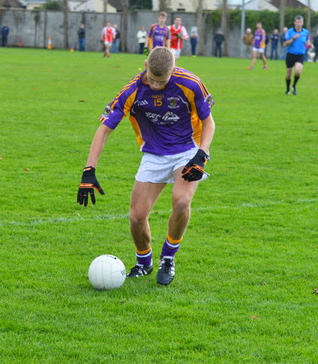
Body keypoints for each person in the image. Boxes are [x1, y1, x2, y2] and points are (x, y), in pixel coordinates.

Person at [76, 46, 215, 286]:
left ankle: (168, 258)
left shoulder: (191, 84)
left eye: (162, 81)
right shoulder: (132, 91)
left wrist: (202, 154)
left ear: (174, 68)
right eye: (151, 79)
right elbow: (104, 130)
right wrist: (89, 169)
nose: (156, 85)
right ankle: (144, 262)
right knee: (137, 217)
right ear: (144, 65)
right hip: (153, 154)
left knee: (181, 201)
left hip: (187, 151)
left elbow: (208, 122)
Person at [282, 15, 311, 95]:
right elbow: (285, 44)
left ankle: (294, 86)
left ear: (303, 23)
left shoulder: (305, 32)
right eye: (297, 22)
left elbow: (307, 40)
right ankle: (287, 89)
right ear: (295, 22)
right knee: (289, 73)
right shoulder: (290, 32)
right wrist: (293, 38)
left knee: (298, 71)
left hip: (300, 55)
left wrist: (309, 44)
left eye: (300, 22)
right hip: (290, 54)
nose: (299, 24)